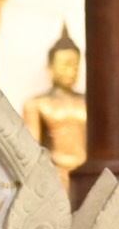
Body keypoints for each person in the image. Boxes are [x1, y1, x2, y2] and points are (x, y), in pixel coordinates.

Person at [23, 25, 88, 193]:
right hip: (55, 174)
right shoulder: (37, 104)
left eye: (75, 65)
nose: (71, 70)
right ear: (50, 67)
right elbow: (32, 152)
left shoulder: (88, 102)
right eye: (65, 65)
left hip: (86, 172)